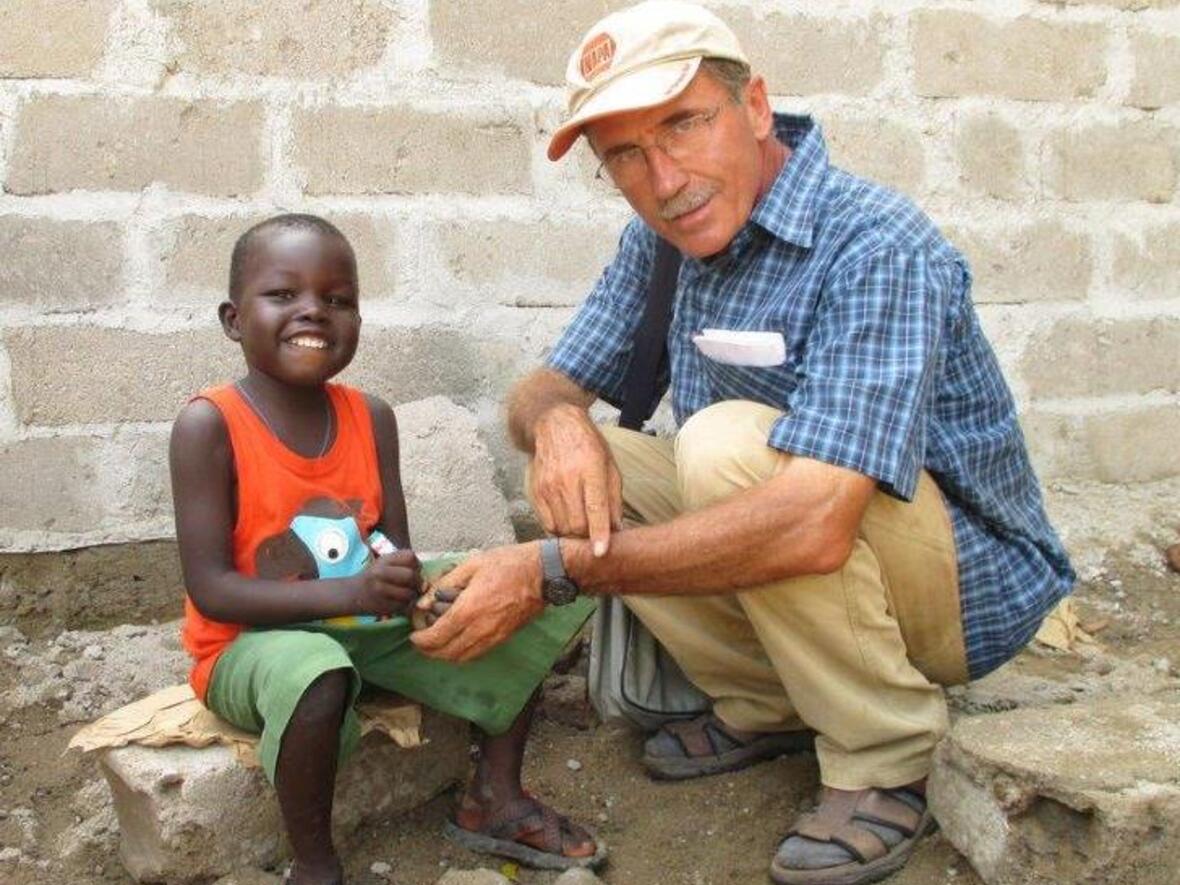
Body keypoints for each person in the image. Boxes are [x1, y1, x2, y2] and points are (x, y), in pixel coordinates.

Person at [411, 3, 1075, 884]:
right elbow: (543, 386)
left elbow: (813, 524)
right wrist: (562, 424)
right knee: (593, 467)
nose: (664, 176)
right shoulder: (663, 243)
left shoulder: (877, 243)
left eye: (683, 124)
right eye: (625, 155)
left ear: (755, 106)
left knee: (723, 444)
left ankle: (885, 752)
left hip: (966, 588)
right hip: (828, 548)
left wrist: (550, 570)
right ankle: (770, 703)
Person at [169, 213, 602, 885]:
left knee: (495, 589)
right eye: (283, 295)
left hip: (361, 622)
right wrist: (353, 593)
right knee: (314, 668)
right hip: (248, 644)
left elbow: (391, 547)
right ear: (233, 319)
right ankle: (315, 865)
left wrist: (419, 588)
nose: (314, 309)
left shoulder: (370, 417)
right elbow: (212, 590)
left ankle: (496, 796)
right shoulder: (209, 425)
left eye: (338, 299)